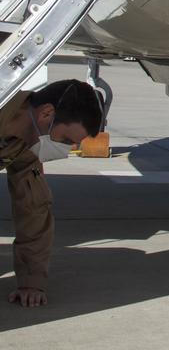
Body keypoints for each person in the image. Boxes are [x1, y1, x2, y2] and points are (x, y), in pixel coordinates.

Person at [1, 79, 105, 308]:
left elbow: (33, 208)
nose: (65, 149)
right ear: (46, 113)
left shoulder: (25, 145)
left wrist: (31, 282)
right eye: (66, 140)